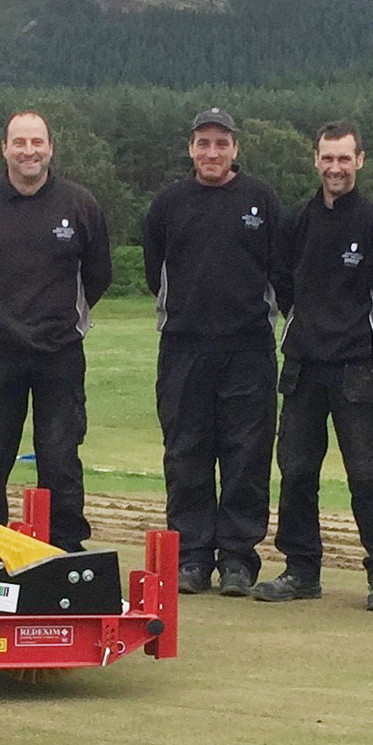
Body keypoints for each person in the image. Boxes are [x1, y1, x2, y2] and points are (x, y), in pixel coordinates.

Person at [255, 121, 373, 611]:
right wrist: (305, 326)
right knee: (296, 471)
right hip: (303, 365)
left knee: (367, 474)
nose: (335, 168)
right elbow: (281, 282)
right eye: (327, 158)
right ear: (315, 161)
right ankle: (301, 569)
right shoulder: (295, 223)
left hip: (357, 369)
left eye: (344, 158)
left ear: (360, 161)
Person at [0, 109, 112, 550]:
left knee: (60, 457)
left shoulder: (79, 205)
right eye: (19, 142)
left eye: (37, 142)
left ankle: (65, 547)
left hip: (60, 353)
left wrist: (63, 318)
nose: (28, 151)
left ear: (51, 148)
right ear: (4, 148)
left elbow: (98, 275)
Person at [142, 108, 283, 596]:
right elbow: (155, 271)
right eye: (203, 143)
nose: (212, 152)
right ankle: (191, 557)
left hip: (249, 348)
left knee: (247, 454)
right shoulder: (169, 203)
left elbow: (280, 271)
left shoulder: (261, 199)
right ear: (191, 149)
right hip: (185, 348)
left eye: (221, 143)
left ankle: (239, 559)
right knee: (187, 453)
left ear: (235, 149)